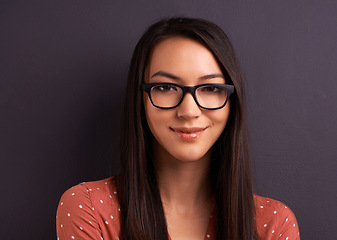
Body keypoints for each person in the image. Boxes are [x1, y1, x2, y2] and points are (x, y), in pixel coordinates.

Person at [56, 17, 300, 240]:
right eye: (166, 87)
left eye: (211, 88)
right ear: (140, 100)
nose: (189, 111)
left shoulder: (274, 224)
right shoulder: (89, 208)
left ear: (231, 104)